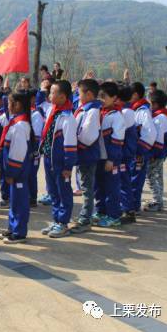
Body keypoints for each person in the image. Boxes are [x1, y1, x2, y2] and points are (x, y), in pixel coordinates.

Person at [40, 80, 77, 238]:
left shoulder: (68, 118)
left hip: (61, 162)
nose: (49, 95)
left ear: (62, 97)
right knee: (53, 191)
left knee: (64, 191)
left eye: (52, 92)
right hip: (49, 157)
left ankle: (63, 222)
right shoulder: (52, 111)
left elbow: (70, 145)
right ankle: (56, 219)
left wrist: (68, 166)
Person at [0, 90, 33, 244]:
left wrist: (11, 171)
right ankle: (13, 227)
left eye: (10, 103)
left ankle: (19, 232)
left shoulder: (21, 126)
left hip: (18, 172)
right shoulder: (15, 122)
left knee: (20, 203)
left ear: (18, 105)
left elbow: (18, 152)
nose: (8, 106)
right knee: (14, 201)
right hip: (14, 171)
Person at [70, 79, 101, 233]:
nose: (78, 96)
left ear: (88, 94)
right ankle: (86, 214)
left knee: (87, 188)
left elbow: (87, 137)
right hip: (83, 155)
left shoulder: (93, 111)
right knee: (85, 186)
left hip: (87, 155)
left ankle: (85, 218)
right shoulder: (85, 109)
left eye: (79, 93)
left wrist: (74, 138)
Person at [93, 82, 125, 227]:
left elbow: (117, 140)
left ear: (114, 98)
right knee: (99, 186)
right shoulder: (100, 111)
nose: (101, 99)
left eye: (104, 96)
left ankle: (114, 216)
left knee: (112, 188)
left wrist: (111, 159)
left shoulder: (116, 116)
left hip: (110, 159)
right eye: (99, 96)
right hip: (99, 157)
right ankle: (101, 211)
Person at [130, 82, 156, 214]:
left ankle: (134, 207)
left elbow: (150, 134)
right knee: (131, 178)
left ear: (135, 95)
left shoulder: (143, 111)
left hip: (139, 153)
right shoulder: (134, 109)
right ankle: (131, 206)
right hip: (132, 152)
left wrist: (140, 150)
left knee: (136, 179)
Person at [144, 90, 167, 212]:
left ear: (155, 104)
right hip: (160, 152)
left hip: (157, 153)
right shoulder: (161, 115)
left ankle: (157, 201)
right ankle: (158, 200)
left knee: (150, 176)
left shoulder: (160, 118)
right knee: (158, 176)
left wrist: (153, 154)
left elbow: (159, 139)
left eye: (150, 103)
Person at [116, 85, 138, 223]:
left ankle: (128, 211)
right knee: (122, 181)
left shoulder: (126, 112)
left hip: (124, 153)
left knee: (124, 181)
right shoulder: (125, 110)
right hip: (124, 152)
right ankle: (125, 208)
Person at [29, 89, 44, 206]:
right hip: (27, 149)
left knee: (31, 174)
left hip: (34, 150)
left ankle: (32, 198)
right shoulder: (27, 112)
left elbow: (37, 136)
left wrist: (34, 151)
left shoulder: (36, 114)